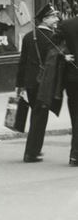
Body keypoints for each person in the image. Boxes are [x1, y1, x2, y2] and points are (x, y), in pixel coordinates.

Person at [15, 2, 60, 162]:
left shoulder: (28, 36)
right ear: (45, 19)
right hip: (44, 83)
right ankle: (31, 152)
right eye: (53, 16)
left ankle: (33, 150)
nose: (56, 19)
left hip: (30, 82)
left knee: (36, 114)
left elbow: (22, 63)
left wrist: (19, 85)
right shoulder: (53, 38)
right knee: (40, 117)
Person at [54, 9, 78, 165]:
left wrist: (63, 56)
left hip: (72, 78)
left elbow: (51, 45)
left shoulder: (66, 25)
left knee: (75, 116)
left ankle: (75, 154)